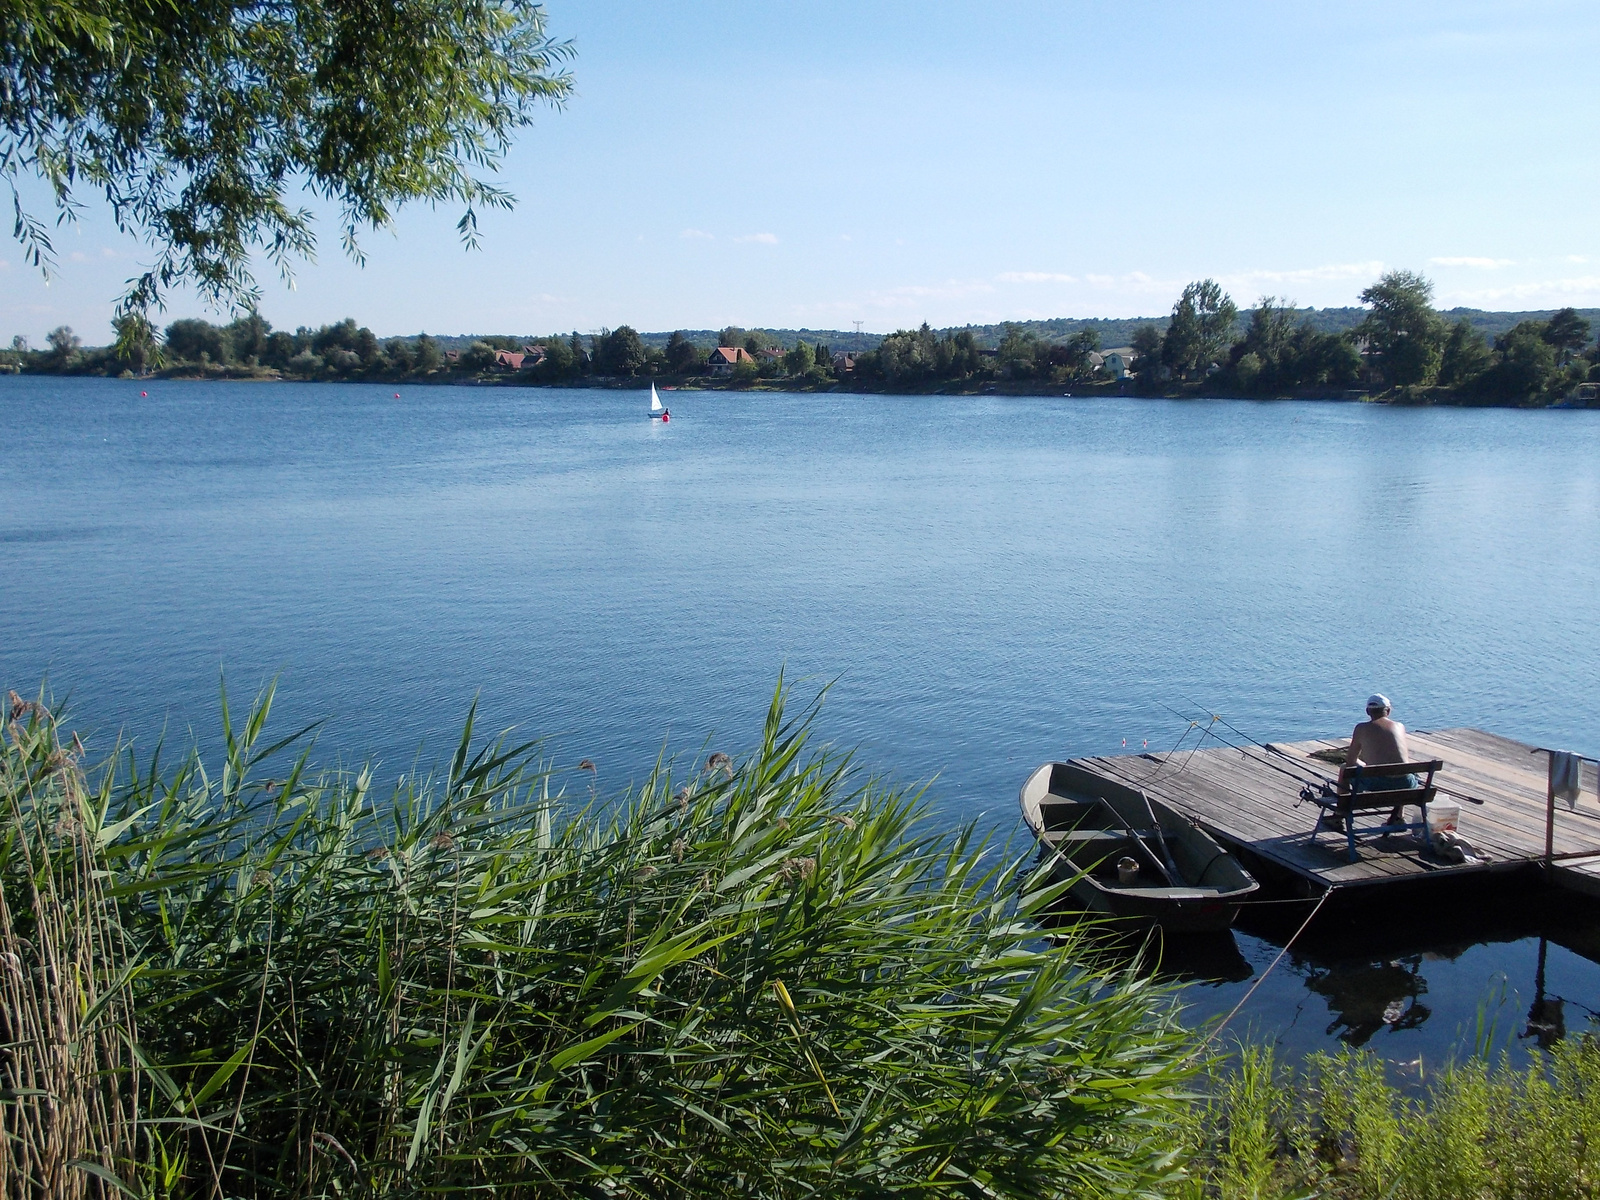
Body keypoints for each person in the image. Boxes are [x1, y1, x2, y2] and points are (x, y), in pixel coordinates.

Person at [1345, 694, 1416, 825]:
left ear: (1367, 711)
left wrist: (1363, 765)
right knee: (1404, 771)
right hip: (1405, 784)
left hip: (1379, 784)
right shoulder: (1400, 726)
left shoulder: (1361, 728)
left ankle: (1339, 814)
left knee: (1345, 769)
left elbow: (1350, 761)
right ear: (1388, 711)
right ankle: (1398, 817)